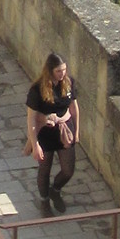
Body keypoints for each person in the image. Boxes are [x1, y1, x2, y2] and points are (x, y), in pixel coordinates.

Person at [24, 52, 79, 212]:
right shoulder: (37, 89)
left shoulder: (68, 82)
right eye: (58, 71)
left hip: (64, 128)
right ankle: (44, 201)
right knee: (44, 169)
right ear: (50, 71)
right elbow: (31, 119)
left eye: (64, 70)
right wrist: (35, 145)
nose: (62, 74)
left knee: (68, 170)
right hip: (45, 132)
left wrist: (77, 131)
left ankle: (55, 190)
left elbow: (74, 108)